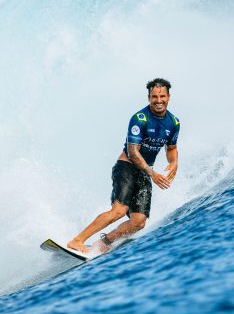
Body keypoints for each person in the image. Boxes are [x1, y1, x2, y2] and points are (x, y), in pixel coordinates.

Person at [67, 78, 180, 254]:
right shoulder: (139, 119)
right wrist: (152, 173)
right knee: (119, 211)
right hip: (126, 167)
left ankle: (102, 244)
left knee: (138, 222)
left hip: (144, 173)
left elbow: (171, 148)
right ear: (149, 97)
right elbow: (133, 152)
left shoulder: (173, 123)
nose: (159, 101)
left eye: (162, 96)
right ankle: (77, 241)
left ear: (169, 96)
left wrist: (174, 162)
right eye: (154, 97)